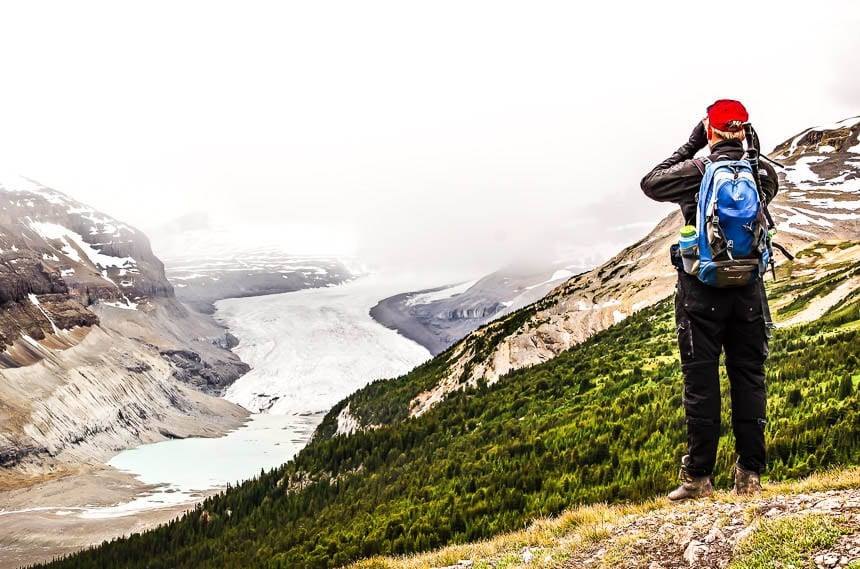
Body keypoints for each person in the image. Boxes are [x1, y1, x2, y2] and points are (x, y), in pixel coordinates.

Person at [640, 99, 779, 501]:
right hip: (748, 292)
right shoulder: (761, 173)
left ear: (710, 130)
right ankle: (749, 475)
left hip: (701, 293)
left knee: (701, 385)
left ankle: (698, 478)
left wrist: (691, 144)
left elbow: (651, 182)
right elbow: (766, 198)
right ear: (745, 130)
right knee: (749, 377)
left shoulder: (696, 172)